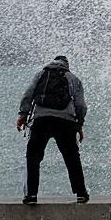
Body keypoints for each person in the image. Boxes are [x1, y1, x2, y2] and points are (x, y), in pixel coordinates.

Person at [16, 55, 89, 205]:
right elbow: (80, 105)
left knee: (33, 157)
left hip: (41, 121)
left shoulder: (41, 75)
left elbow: (28, 95)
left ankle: (31, 195)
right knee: (72, 157)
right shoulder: (72, 78)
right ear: (66, 65)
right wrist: (79, 124)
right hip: (65, 123)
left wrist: (23, 115)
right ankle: (81, 193)